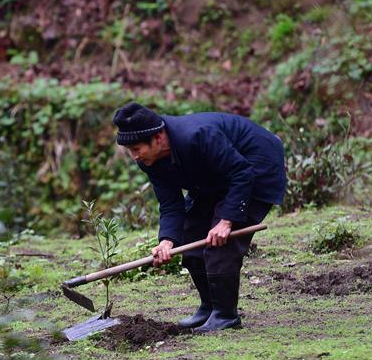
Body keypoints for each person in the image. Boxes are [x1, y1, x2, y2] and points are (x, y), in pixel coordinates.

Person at [112, 102, 287, 332]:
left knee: (219, 242)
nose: (134, 157)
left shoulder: (197, 136)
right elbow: (170, 203)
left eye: (136, 149)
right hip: (215, 177)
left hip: (255, 165)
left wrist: (226, 221)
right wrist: (166, 240)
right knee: (190, 235)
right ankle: (209, 307)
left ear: (157, 138)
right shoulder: (150, 160)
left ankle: (225, 315)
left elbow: (241, 172)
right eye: (130, 151)